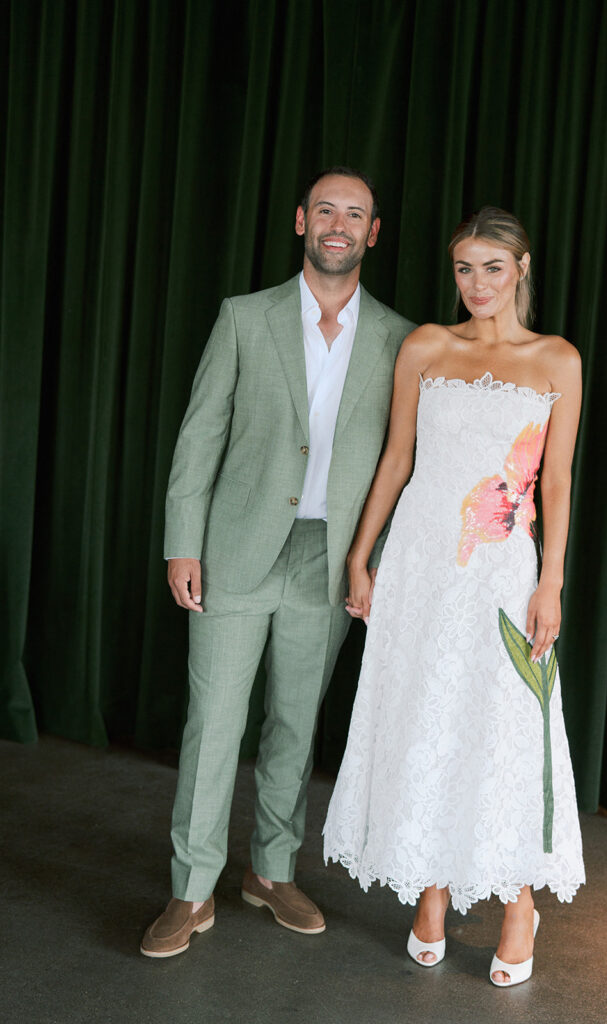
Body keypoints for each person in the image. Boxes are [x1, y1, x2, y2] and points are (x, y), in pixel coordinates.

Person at [141, 167, 414, 958]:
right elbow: (200, 437)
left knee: (295, 726)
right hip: (233, 554)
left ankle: (270, 872)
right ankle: (191, 893)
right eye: (325, 209)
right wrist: (182, 542)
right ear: (301, 221)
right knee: (214, 725)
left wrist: (376, 564)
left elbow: (407, 464)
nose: (338, 223)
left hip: (329, 563)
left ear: (373, 232)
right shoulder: (243, 317)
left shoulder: (402, 338)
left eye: (354, 213)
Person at [323, 206, 585, 986]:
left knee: (504, 724)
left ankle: (516, 901)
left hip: (505, 568)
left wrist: (552, 582)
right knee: (424, 716)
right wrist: (362, 556)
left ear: (523, 269)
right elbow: (397, 456)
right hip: (421, 564)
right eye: (465, 268)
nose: (477, 284)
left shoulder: (557, 360)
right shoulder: (426, 346)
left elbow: (560, 481)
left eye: (493, 268)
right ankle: (431, 887)